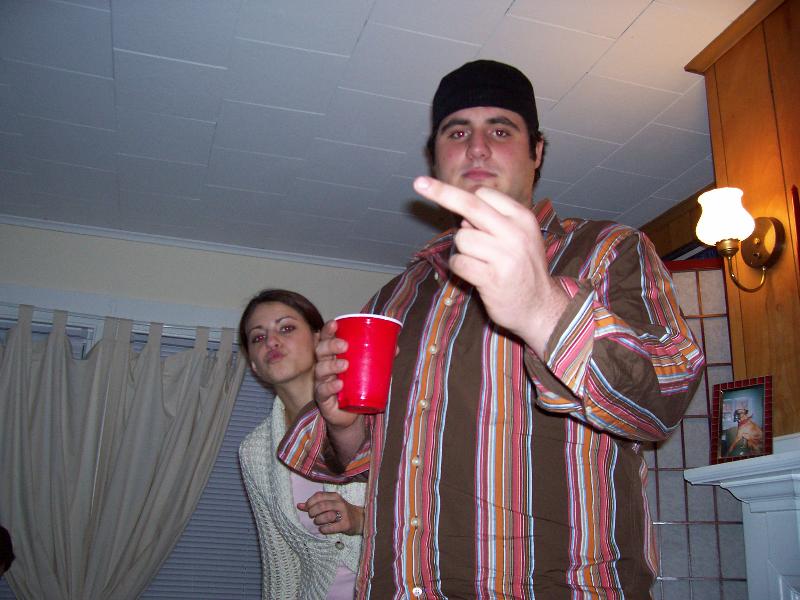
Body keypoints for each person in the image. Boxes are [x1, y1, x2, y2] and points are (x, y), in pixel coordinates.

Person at [278, 60, 705, 598]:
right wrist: (346, 428)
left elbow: (663, 397)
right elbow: (365, 460)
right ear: (435, 155)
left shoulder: (608, 250)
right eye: (457, 133)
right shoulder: (397, 297)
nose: (477, 149)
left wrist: (541, 309)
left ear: (537, 152)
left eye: (500, 131)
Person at [238, 289, 366, 600]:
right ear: (254, 364)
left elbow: (423, 511)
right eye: (258, 337)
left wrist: (360, 519)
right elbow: (279, 559)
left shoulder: (368, 412)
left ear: (319, 340)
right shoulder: (254, 451)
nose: (271, 342)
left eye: (286, 328)